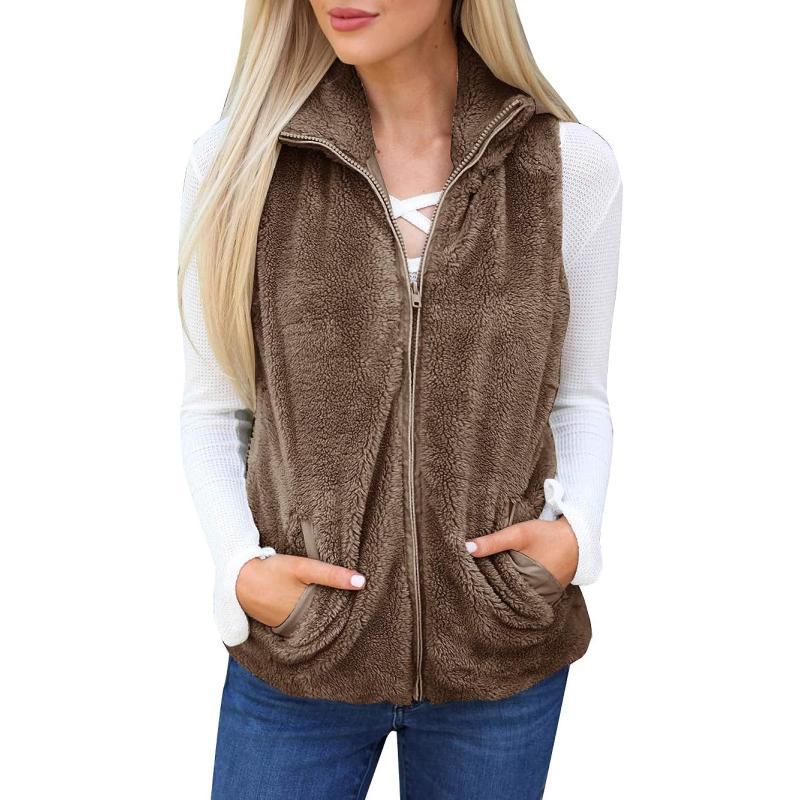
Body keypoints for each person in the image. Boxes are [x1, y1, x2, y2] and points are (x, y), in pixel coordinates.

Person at [178, 1, 622, 797]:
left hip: (498, 657)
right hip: (303, 656)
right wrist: (241, 572)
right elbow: (215, 410)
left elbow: (578, 397)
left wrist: (574, 540)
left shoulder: (564, 163)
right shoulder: (240, 161)